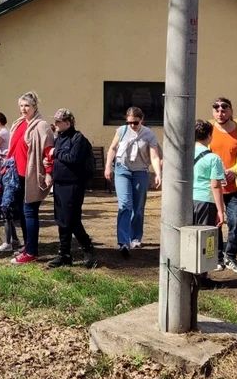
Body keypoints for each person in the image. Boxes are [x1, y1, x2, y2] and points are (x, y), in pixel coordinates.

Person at [104, 106, 162, 258]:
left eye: (135, 123)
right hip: (122, 171)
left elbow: (155, 157)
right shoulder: (121, 131)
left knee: (138, 207)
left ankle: (135, 237)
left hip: (140, 172)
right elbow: (113, 148)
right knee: (125, 205)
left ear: (141, 120)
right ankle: (123, 241)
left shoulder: (149, 134)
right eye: (129, 122)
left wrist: (158, 174)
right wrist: (108, 166)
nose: (132, 126)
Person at [44, 108, 97, 269]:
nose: (55, 124)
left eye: (58, 122)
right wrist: (50, 164)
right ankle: (64, 254)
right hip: (59, 184)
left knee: (71, 220)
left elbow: (73, 158)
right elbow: (59, 158)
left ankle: (88, 248)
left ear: (67, 123)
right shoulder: (60, 138)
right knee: (61, 221)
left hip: (73, 185)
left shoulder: (78, 138)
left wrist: (55, 152)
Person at [7, 91, 55, 264]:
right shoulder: (19, 123)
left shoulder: (41, 126)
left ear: (35, 107)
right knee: (21, 212)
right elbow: (13, 146)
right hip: (17, 175)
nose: (23, 109)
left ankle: (32, 252)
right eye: (21, 105)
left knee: (30, 212)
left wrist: (48, 173)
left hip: (32, 176)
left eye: (27, 105)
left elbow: (49, 152)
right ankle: (28, 245)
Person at [209, 97, 237, 274]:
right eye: (217, 110)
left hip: (234, 186)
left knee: (235, 222)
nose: (220, 113)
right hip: (213, 187)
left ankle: (231, 257)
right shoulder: (208, 130)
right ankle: (217, 257)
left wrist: (234, 170)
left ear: (231, 111)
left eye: (224, 109)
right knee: (216, 223)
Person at [193, 119, 226, 278]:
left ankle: (187, 275)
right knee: (205, 240)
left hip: (185, 201)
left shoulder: (182, 155)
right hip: (205, 201)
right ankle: (201, 277)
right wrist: (221, 210)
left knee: (188, 238)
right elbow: (215, 186)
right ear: (209, 136)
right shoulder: (214, 158)